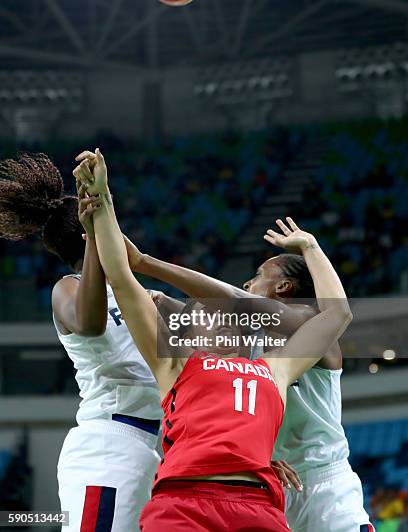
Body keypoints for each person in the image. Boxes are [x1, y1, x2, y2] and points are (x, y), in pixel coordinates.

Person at [75, 147, 353, 532]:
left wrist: (311, 246)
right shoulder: (175, 365)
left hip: (263, 504)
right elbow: (122, 279)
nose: (213, 315)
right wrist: (102, 201)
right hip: (184, 502)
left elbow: (336, 314)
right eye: (201, 315)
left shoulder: (275, 367)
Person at [122, 214, 375, 531]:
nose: (247, 283)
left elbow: (233, 300)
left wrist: (144, 263)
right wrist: (156, 299)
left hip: (322, 484)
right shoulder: (248, 342)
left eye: (258, 276)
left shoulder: (307, 322)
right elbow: (201, 316)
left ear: (283, 286)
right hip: (268, 484)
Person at [0, 153, 162, 532]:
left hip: (154, 447)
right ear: (93, 235)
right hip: (108, 445)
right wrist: (95, 242)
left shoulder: (140, 295)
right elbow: (89, 326)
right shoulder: (66, 289)